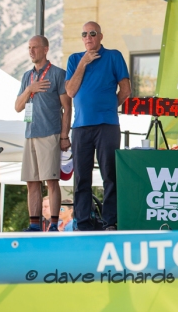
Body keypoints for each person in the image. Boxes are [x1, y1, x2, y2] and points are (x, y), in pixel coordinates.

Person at [66, 21, 131, 231]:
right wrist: (83, 63)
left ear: (100, 36)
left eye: (92, 33)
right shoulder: (75, 59)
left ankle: (110, 221)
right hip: (81, 127)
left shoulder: (113, 56)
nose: (88, 37)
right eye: (84, 34)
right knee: (81, 177)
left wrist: (110, 106)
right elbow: (70, 91)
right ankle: (83, 222)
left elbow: (126, 89)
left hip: (107, 125)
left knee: (109, 174)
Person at [15, 35, 71, 233]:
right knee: (31, 181)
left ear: (46, 49)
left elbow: (67, 107)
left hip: (50, 133)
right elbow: (17, 107)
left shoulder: (57, 74)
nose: (31, 51)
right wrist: (30, 89)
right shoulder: (26, 77)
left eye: (35, 47)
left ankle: (54, 225)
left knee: (51, 180)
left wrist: (64, 136)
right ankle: (34, 225)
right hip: (30, 133)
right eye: (29, 48)